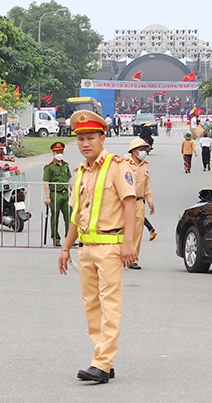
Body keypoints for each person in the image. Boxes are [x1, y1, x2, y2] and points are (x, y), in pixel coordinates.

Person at [56, 110, 137, 384]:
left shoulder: (117, 166)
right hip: (86, 248)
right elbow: (76, 216)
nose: (85, 144)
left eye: (90, 137)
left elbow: (130, 205)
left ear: (103, 138)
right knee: (91, 305)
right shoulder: (79, 172)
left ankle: (101, 364)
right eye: (80, 139)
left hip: (111, 246)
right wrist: (66, 248)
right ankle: (104, 357)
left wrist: (129, 243)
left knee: (110, 305)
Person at [126, 137, 155, 270]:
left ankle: (133, 259)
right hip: (125, 201)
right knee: (122, 230)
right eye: (141, 149)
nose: (143, 152)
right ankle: (118, 256)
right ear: (133, 151)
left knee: (137, 232)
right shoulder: (125, 163)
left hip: (139, 201)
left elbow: (146, 186)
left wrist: (150, 201)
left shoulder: (145, 164)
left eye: (144, 149)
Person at [43, 141, 72, 246]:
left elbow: (69, 179)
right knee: (55, 216)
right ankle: (56, 238)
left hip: (66, 194)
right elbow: (46, 182)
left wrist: (73, 191)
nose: (59, 153)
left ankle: (69, 238)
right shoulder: (49, 167)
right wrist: (47, 197)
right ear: (53, 153)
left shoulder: (65, 165)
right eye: (57, 152)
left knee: (69, 216)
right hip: (55, 194)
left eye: (61, 151)